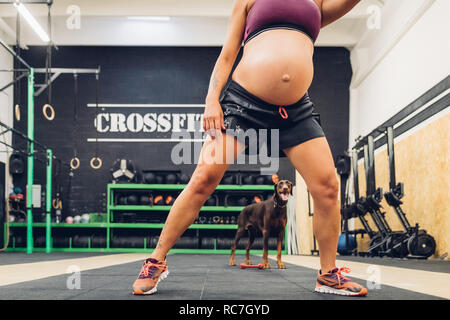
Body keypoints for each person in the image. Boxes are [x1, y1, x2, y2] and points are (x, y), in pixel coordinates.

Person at [133, 0, 367, 297]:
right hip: (244, 104)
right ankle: (156, 261)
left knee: (328, 187)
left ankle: (328, 275)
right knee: (203, 179)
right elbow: (228, 53)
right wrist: (211, 99)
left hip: (295, 111)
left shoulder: (315, 2)